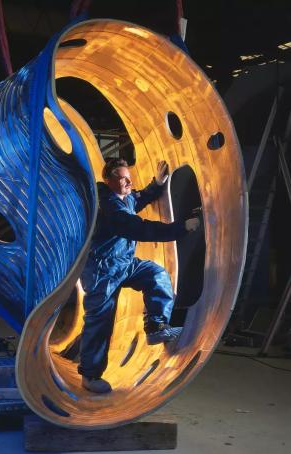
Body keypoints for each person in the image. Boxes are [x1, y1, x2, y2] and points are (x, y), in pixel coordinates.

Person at [78, 158, 200, 394]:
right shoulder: (108, 206)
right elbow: (140, 228)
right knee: (99, 320)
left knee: (156, 275)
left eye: (129, 176)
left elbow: (138, 198)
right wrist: (181, 228)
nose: (129, 181)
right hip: (102, 269)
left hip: (123, 263)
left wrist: (157, 184)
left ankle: (155, 326)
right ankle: (90, 375)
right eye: (123, 178)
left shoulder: (122, 198)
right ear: (109, 179)